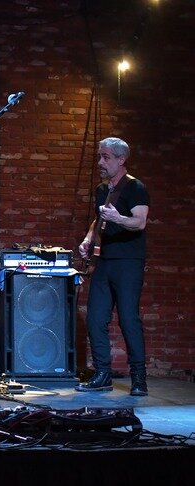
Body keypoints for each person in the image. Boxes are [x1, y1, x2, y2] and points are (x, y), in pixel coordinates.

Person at [77, 137, 149, 396]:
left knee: (129, 318)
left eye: (106, 157)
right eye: (99, 156)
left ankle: (139, 378)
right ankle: (102, 373)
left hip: (128, 261)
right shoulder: (102, 189)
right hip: (105, 260)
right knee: (96, 317)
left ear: (121, 160)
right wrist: (88, 240)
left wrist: (118, 218)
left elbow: (140, 222)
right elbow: (99, 220)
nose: (100, 162)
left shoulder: (135, 188)